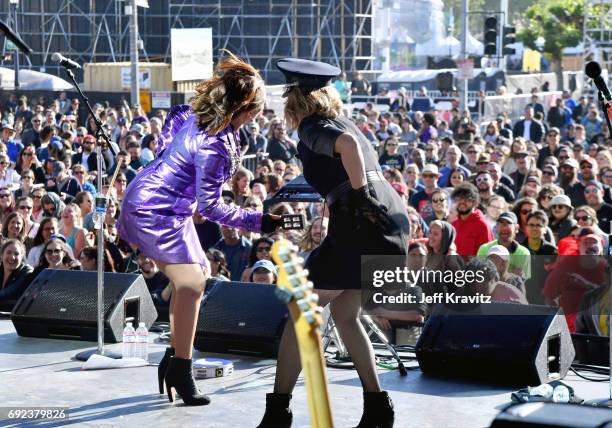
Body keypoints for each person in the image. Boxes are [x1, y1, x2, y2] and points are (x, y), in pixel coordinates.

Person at [117, 52, 281, 406]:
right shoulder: (214, 144)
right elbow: (211, 207)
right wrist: (258, 221)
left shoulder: (202, 118)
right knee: (191, 283)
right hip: (152, 210)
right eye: (260, 106)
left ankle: (175, 355)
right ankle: (181, 365)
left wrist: (169, 161)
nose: (263, 112)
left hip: (171, 207)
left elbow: (175, 118)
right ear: (245, 109)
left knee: (198, 274)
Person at [258, 57, 411, 428]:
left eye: (287, 94)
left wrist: (358, 199)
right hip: (389, 225)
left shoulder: (315, 127)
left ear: (298, 98)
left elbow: (345, 148)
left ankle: (278, 412)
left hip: (362, 228)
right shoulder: (345, 123)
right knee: (344, 314)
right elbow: (349, 153)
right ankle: (377, 406)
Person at [451, 183, 494, 257]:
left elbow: (487, 256)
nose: (462, 202)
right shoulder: (453, 224)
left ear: (475, 202)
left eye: (467, 199)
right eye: (459, 199)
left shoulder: (482, 225)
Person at [0, 239, 34, 312]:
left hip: (15, 319)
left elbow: (13, 291)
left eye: (16, 254)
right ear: (2, 255)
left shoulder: (27, 272)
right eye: (8, 252)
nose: (12, 257)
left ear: (22, 257)